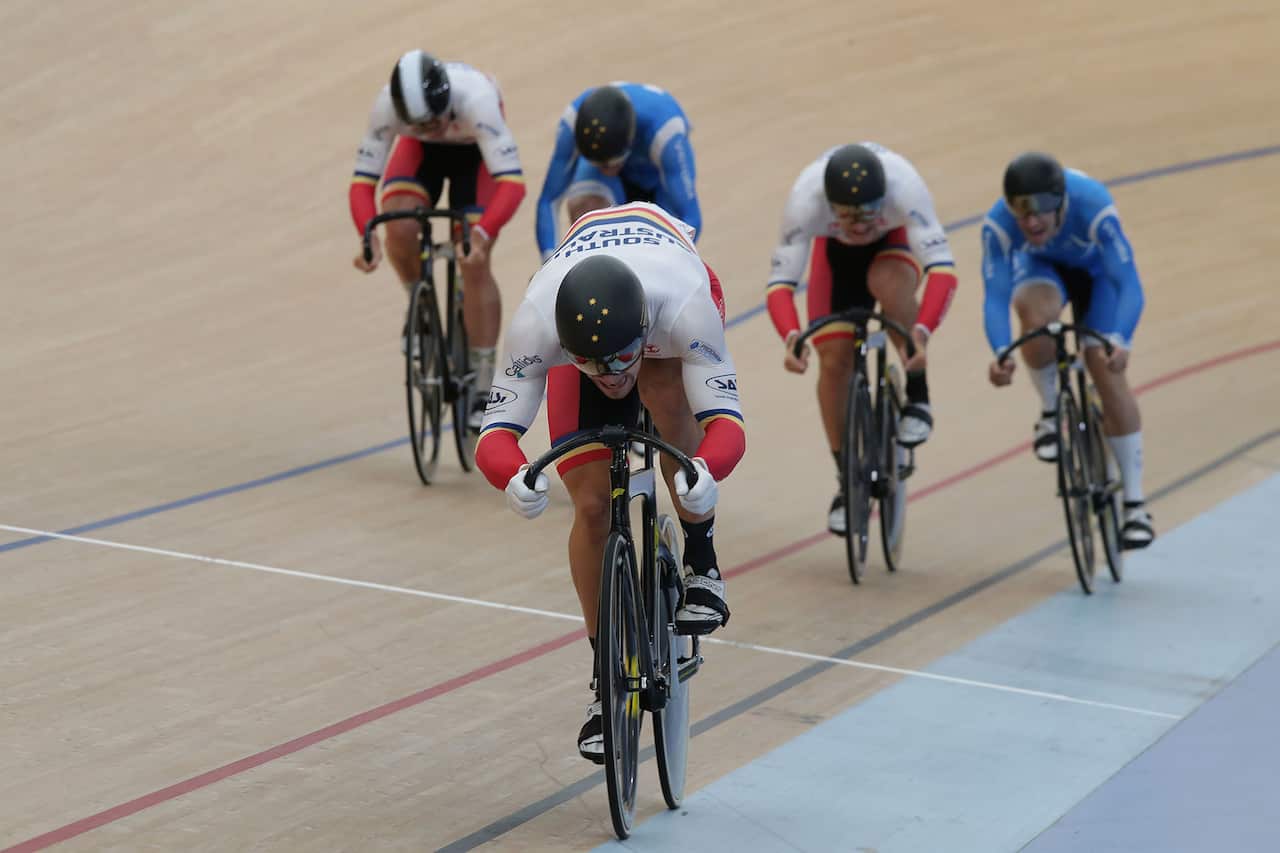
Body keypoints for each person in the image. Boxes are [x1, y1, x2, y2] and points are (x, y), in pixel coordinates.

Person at [475, 201, 745, 762]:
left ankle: (703, 562)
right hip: (589, 300)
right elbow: (496, 432)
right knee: (593, 506)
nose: (611, 375)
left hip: (666, 294)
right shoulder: (537, 321)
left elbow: (726, 423)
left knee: (666, 395)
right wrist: (512, 475)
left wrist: (706, 470)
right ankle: (605, 679)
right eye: (593, 364)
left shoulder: (684, 307)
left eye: (621, 360)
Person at [766, 142, 959, 535]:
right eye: (847, 214)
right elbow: (780, 285)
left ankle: (917, 395)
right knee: (834, 360)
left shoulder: (905, 186)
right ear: (829, 205)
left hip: (891, 248)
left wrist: (919, 335)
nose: (858, 224)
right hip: (834, 260)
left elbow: (943, 271)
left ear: (883, 200)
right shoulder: (806, 201)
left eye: (869, 212)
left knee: (888, 284)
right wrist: (791, 338)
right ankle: (845, 480)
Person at [981, 151, 1155, 549]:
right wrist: (1001, 350)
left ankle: (1135, 506)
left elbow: (1128, 282)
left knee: (1104, 367)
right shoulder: (998, 225)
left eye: (1041, 209)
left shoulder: (1093, 206)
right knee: (1034, 320)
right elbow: (996, 296)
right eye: (1020, 210)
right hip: (1042, 272)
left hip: (1097, 276)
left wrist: (1121, 340)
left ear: (1061, 202)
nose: (1031, 221)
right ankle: (1049, 413)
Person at [348, 50, 527, 428]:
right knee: (398, 224)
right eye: (421, 124)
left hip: (475, 156)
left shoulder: (477, 100)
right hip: (421, 158)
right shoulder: (387, 107)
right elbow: (363, 184)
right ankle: (420, 302)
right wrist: (369, 235)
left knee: (471, 257)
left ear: (447, 102)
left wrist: (482, 233)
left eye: (435, 121)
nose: (432, 130)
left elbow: (512, 185)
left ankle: (482, 382)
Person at [534, 83, 700, 262]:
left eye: (609, 164)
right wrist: (549, 262)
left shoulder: (666, 133)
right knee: (586, 209)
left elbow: (690, 217)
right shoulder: (572, 123)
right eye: (597, 163)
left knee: (660, 241)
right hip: (618, 162)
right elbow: (549, 200)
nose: (605, 171)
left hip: (655, 179)